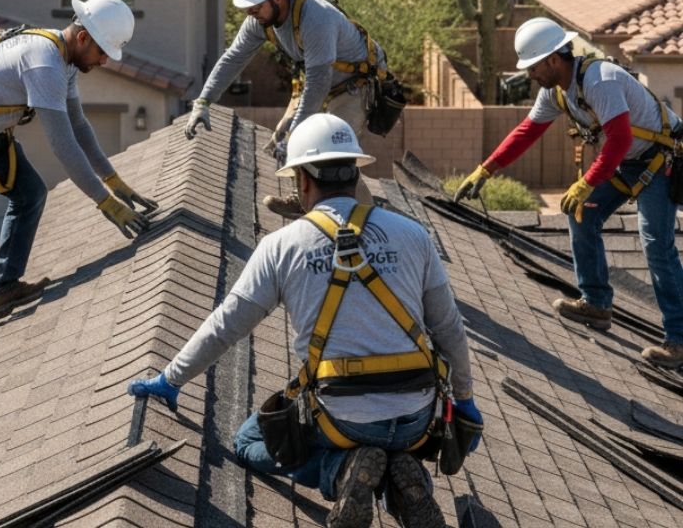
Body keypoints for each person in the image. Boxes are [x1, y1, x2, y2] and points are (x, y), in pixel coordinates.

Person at [130, 113, 479, 528]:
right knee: (393, 444)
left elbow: (227, 324)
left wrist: (171, 379)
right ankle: (406, 479)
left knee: (249, 440)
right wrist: (464, 399)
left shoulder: (282, 247)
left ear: (302, 181)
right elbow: (450, 329)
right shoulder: (412, 234)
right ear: (354, 174)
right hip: (416, 420)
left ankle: (341, 471)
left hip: (339, 419)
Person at [0, 0, 158, 362]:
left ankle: (3, 287)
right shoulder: (45, 63)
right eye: (103, 51)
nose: (105, 60)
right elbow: (63, 145)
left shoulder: (66, 62)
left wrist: (112, 178)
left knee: (30, 194)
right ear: (82, 38)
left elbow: (78, 124)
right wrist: (105, 203)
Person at [455, 16, 683, 368]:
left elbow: (620, 139)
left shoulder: (600, 80)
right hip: (630, 160)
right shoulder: (556, 92)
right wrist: (487, 168)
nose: (530, 75)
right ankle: (596, 303)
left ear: (553, 59)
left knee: (655, 242)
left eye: (533, 67)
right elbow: (527, 131)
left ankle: (679, 340)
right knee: (583, 210)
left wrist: (587, 181)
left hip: (662, 159)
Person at [184, 0, 388, 218]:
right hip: (321, 82)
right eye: (248, 8)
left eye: (255, 7)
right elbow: (233, 58)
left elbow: (318, 81)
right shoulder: (261, 21)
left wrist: (298, 130)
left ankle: (368, 221)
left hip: (354, 86)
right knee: (282, 137)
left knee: (330, 152)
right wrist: (203, 101)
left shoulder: (316, 19)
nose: (251, 13)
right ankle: (303, 201)